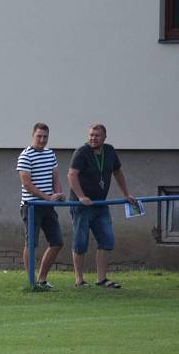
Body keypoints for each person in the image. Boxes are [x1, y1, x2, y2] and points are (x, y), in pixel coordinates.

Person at [66, 124, 135, 289]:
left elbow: (117, 172)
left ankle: (102, 279)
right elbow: (72, 174)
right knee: (80, 242)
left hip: (101, 204)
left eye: (97, 135)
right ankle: (79, 279)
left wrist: (126, 194)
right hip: (82, 205)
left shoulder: (110, 151)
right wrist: (81, 196)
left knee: (107, 240)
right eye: (91, 135)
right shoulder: (81, 152)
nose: (93, 138)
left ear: (104, 137)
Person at [17, 123, 65, 289]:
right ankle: (32, 282)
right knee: (31, 244)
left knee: (57, 242)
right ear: (33, 135)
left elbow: (56, 178)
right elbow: (26, 183)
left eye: (45, 137)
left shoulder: (50, 154)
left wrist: (58, 194)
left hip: (48, 206)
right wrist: (47, 197)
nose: (42, 140)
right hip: (31, 206)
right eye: (39, 136)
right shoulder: (25, 155)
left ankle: (42, 279)